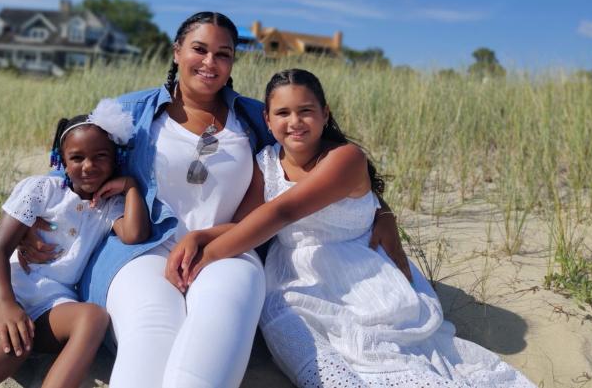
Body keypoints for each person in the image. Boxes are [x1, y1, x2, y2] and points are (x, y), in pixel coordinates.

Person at [19, 13, 408, 388]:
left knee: (220, 319)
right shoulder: (130, 111)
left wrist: (381, 210)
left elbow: (321, 160)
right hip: (139, 248)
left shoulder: (257, 117)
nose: (210, 62)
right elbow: (74, 162)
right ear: (177, 52)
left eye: (223, 54)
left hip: (231, 245)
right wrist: (28, 220)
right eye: (199, 50)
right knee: (155, 326)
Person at [181, 68, 535, 388]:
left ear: (325, 113)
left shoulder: (345, 158)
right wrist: (201, 236)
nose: (295, 121)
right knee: (310, 356)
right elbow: (248, 222)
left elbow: (282, 212)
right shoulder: (267, 162)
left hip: (361, 272)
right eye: (283, 113)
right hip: (294, 279)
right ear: (267, 120)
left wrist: (208, 257)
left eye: (306, 110)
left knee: (379, 355)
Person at [0, 99, 150, 388]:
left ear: (116, 159)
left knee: (93, 317)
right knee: (15, 345)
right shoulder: (41, 190)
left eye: (101, 156)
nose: (89, 166)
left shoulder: (109, 205)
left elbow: (134, 234)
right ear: (62, 160)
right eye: (77, 158)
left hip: (53, 303)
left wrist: (130, 186)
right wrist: (7, 305)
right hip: (4, 293)